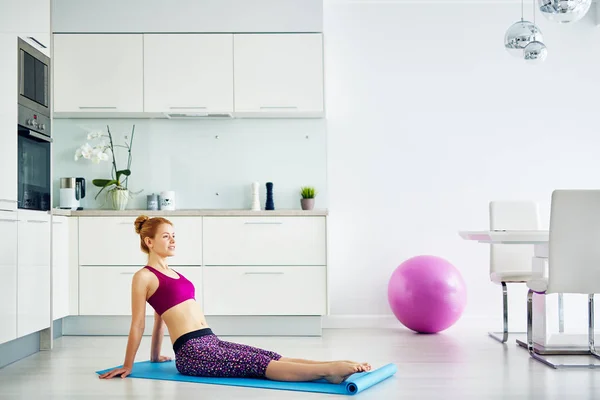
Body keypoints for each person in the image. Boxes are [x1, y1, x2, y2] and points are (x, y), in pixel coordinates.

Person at [99, 215, 371, 383]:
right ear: (149, 242)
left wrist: (155, 356)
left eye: (174, 236)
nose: (172, 241)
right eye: (166, 237)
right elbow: (139, 324)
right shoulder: (143, 276)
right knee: (259, 366)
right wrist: (128, 365)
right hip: (193, 353)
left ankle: (329, 365)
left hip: (210, 340)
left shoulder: (174, 274)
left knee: (268, 355)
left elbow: (160, 319)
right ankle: (330, 371)